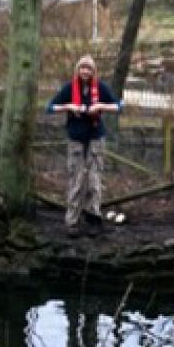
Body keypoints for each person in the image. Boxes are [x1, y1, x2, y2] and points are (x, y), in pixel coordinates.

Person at [47, 55, 121, 236]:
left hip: (96, 138)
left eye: (88, 69)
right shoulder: (69, 88)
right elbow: (50, 107)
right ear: (78, 70)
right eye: (82, 68)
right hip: (76, 138)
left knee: (94, 180)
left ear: (93, 71)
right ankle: (72, 220)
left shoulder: (100, 88)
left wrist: (100, 106)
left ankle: (93, 217)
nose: (85, 72)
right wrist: (69, 107)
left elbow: (118, 106)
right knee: (77, 179)